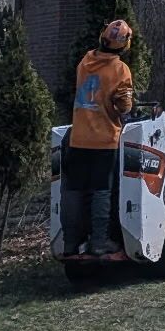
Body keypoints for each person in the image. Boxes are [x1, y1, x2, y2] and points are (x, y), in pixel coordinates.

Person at [61, 19, 136, 257]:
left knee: (74, 190)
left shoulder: (85, 62)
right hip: (104, 140)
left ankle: (71, 243)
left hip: (78, 137)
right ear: (124, 44)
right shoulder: (119, 69)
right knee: (101, 191)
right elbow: (124, 107)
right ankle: (100, 242)